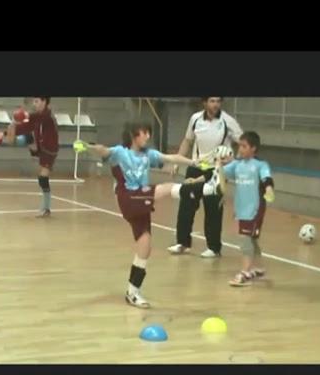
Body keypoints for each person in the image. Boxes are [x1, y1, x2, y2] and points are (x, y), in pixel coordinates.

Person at [74, 122, 223, 309]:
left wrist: (194, 163)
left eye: (148, 133)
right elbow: (103, 150)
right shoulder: (121, 152)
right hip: (129, 197)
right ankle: (209, 189)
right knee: (167, 188)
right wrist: (86, 146)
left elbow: (172, 157)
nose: (147, 137)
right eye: (144, 133)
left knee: (145, 247)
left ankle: (133, 292)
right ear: (133, 135)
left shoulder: (149, 155)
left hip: (141, 200)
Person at [168, 97, 244, 258]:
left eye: (218, 101)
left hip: (216, 171)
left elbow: (243, 143)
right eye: (211, 101)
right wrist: (177, 161)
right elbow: (187, 141)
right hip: (196, 167)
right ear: (204, 103)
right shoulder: (195, 119)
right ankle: (183, 243)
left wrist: (232, 164)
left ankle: (214, 248)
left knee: (213, 210)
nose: (215, 104)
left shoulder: (228, 121)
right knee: (186, 207)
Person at [217, 131, 275, 286]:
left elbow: (267, 179)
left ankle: (245, 272)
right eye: (239, 146)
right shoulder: (237, 165)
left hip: (254, 210)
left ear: (253, 148)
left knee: (245, 240)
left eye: (244, 146)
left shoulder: (261, 165)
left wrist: (269, 189)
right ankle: (260, 268)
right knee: (252, 239)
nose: (240, 149)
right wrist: (219, 163)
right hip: (241, 209)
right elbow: (222, 174)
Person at [0, 97, 59, 218]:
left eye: (37, 101)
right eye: (34, 101)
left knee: (43, 178)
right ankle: (13, 139)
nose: (34, 104)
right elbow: (23, 127)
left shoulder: (48, 116)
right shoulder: (37, 117)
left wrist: (23, 114)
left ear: (44, 102)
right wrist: (3, 133)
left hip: (49, 151)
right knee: (20, 137)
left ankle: (46, 209)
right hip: (38, 145)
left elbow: (36, 118)